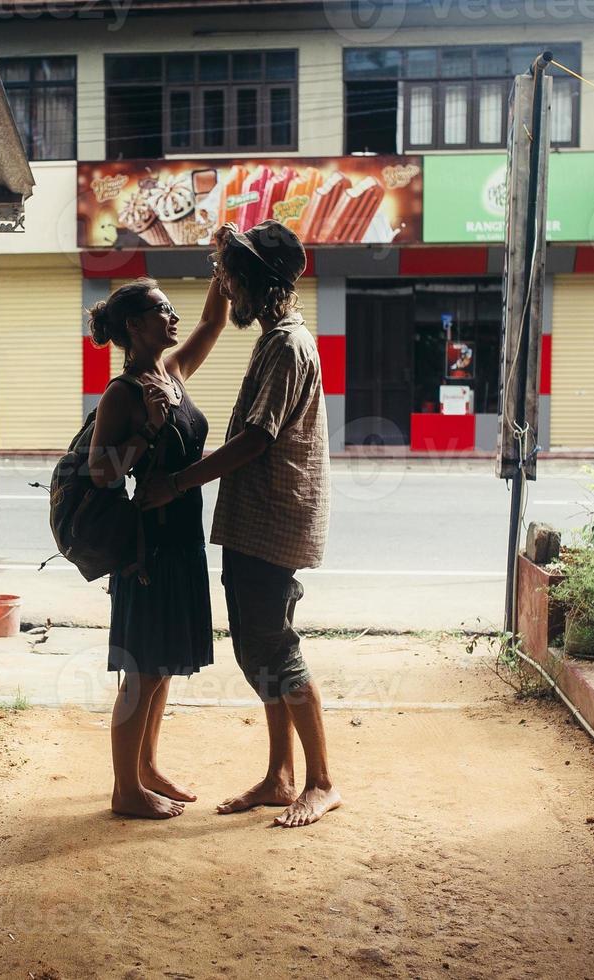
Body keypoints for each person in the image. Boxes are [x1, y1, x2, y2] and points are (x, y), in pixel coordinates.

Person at [137, 220, 339, 828]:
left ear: (258, 283)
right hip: (259, 521)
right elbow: (213, 319)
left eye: (232, 279)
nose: (225, 287)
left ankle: (321, 781)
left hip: (273, 522)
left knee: (272, 647)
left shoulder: (286, 344)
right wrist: (225, 264)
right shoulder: (276, 335)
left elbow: (256, 438)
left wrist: (175, 482)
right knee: (258, 646)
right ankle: (280, 776)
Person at [86, 268, 232, 820]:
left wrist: (221, 269)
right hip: (147, 549)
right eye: (162, 311)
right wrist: (147, 429)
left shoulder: (172, 370)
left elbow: (213, 322)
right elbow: (102, 473)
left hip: (183, 541)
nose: (172, 317)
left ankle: (146, 768)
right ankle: (125, 790)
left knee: (163, 664)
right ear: (134, 326)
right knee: (141, 669)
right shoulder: (121, 395)